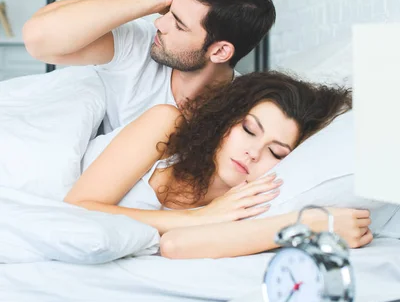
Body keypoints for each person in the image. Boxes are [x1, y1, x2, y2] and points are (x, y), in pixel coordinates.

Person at [64, 71, 372, 259]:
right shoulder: (166, 124)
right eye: (249, 130)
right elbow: (77, 207)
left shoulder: (249, 204)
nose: (253, 153)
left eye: (275, 153)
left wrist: (307, 225)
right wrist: (205, 216)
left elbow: (175, 246)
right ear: (227, 120)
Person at [23, 0, 276, 133]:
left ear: (220, 51)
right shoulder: (141, 45)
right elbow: (37, 39)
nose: (159, 23)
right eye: (168, 10)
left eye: (178, 23)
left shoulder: (245, 115)